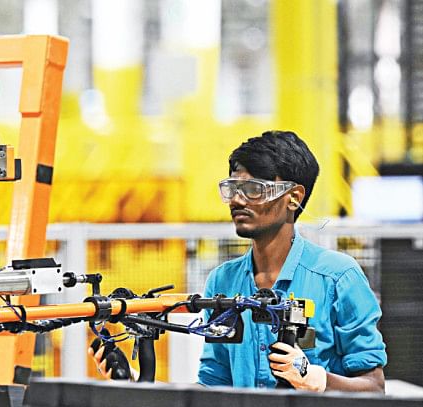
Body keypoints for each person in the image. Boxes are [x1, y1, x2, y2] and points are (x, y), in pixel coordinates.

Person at [92, 130, 387, 392]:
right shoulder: (223, 282)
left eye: (254, 190)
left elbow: (373, 388)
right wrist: (138, 382)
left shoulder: (338, 277)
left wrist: (316, 379)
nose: (237, 200)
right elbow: (214, 387)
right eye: (233, 189)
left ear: (294, 197)